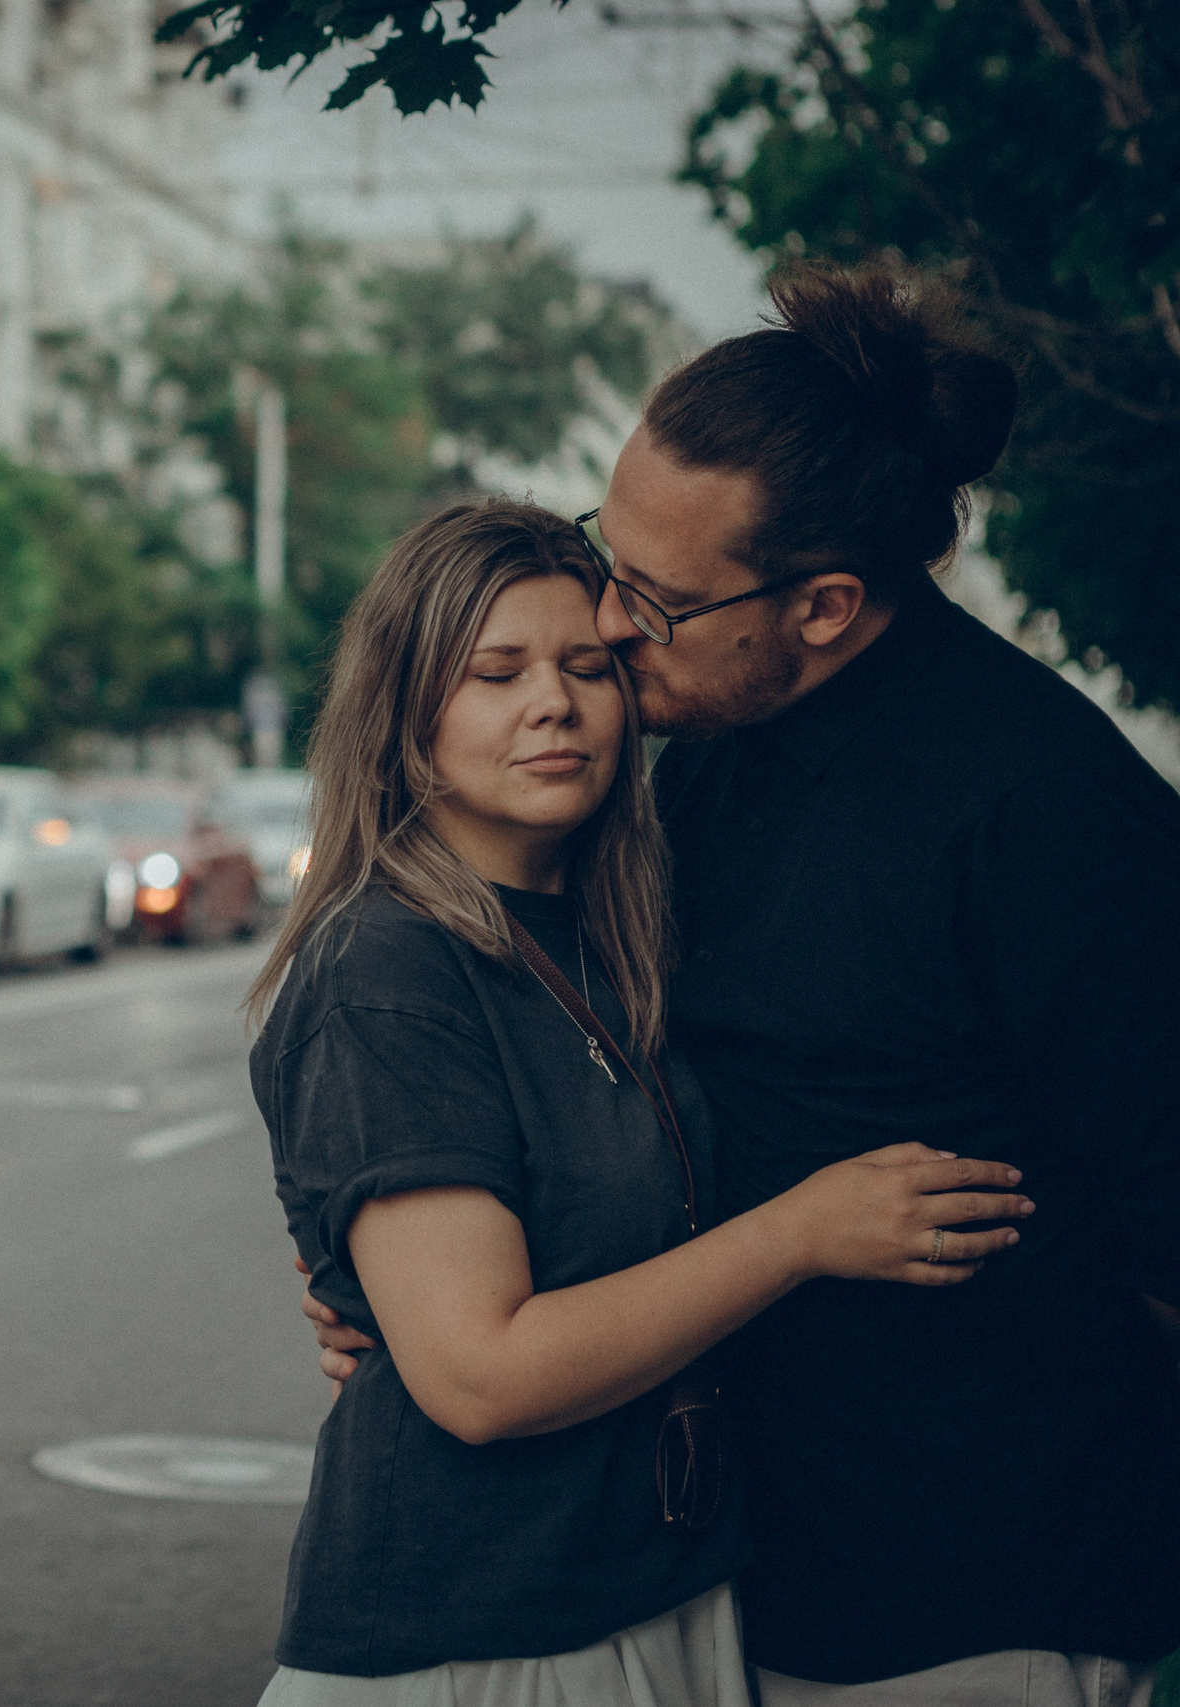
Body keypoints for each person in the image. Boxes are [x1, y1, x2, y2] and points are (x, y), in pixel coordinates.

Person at [305, 266, 1180, 1705]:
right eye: (609, 553)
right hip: (728, 1574)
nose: (610, 621)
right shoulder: (699, 761)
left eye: (655, 601)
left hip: (980, 1591)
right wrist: (411, 1272)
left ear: (824, 605)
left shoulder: (1038, 811)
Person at [248, 497, 1031, 1706]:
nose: (553, 704)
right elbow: (480, 1379)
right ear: (404, 715)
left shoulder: (618, 934)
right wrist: (802, 1233)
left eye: (587, 667)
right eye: (495, 673)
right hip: (484, 1632)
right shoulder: (386, 964)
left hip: (667, 1585)